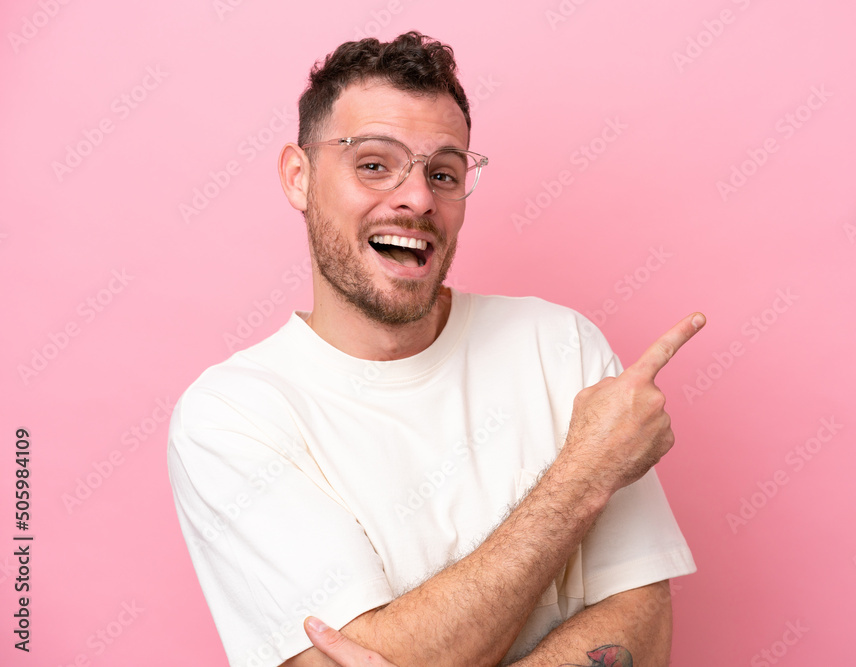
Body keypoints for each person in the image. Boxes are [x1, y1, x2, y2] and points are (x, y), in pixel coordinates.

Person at [167, 31, 705, 667]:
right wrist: (585, 472)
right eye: (374, 164)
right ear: (299, 176)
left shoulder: (561, 351)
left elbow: (640, 631)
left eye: (444, 173)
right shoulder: (232, 417)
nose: (418, 198)